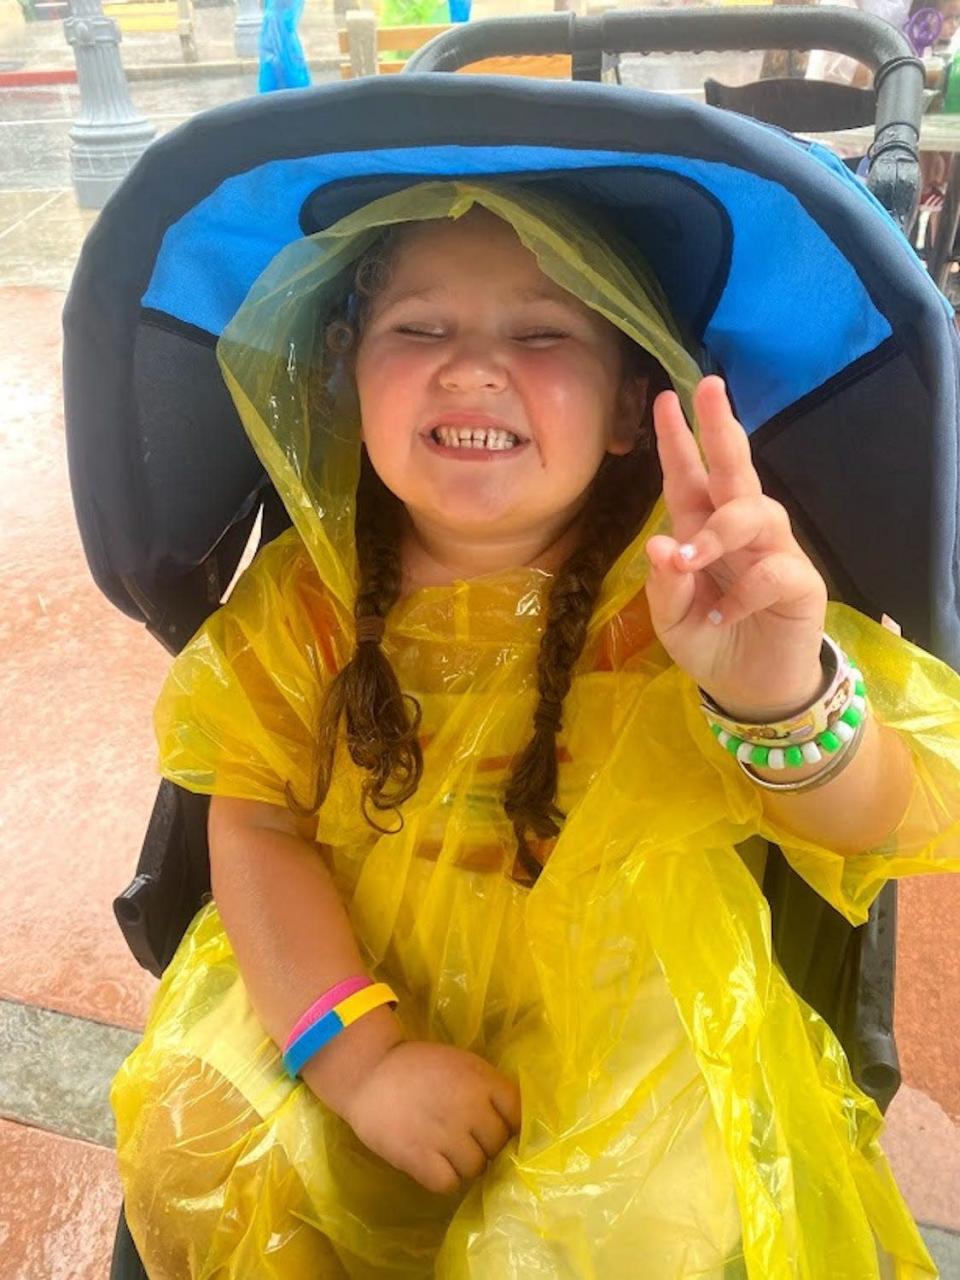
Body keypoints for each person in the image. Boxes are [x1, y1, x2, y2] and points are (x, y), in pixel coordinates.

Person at [111, 182, 960, 1279]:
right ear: (343, 372)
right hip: (349, 972)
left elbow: (882, 818)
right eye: (419, 327)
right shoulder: (305, 604)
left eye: (542, 330)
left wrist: (777, 694)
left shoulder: (688, 590)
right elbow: (258, 826)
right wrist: (363, 1061)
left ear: (625, 408)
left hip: (618, 1024)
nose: (470, 366)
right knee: (196, 1133)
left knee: (632, 1227)